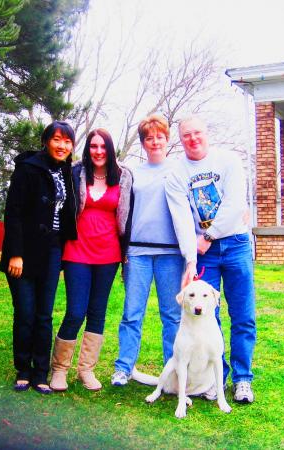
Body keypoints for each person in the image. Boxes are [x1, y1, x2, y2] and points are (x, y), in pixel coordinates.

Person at [165, 116, 256, 404]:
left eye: (197, 133)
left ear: (207, 133)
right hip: (205, 252)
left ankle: (242, 379)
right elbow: (181, 219)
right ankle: (214, 381)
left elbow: (235, 206)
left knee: (242, 315)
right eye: (186, 135)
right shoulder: (176, 172)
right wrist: (190, 259)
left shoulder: (227, 160)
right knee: (206, 315)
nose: (193, 139)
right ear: (180, 139)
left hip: (236, 243)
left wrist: (208, 236)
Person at [50, 128, 133, 392]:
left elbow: (128, 216)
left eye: (103, 147)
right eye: (94, 146)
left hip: (108, 254)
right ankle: (60, 369)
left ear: (110, 149)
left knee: (97, 312)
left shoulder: (123, 177)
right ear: (88, 149)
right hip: (77, 251)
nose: (98, 151)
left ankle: (86, 369)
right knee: (76, 311)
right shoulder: (74, 172)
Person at [0, 121, 77, 394]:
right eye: (57, 139)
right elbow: (14, 213)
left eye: (67, 141)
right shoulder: (27, 169)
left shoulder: (67, 171)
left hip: (53, 251)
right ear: (46, 141)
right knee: (25, 313)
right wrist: (16, 254)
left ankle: (41, 372)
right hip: (23, 253)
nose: (62, 146)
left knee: (44, 314)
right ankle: (23, 369)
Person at [111, 114, 183, 387]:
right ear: (143, 143)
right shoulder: (132, 173)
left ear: (167, 139)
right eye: (149, 138)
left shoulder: (178, 170)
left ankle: (173, 371)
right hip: (137, 253)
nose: (155, 142)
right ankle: (124, 367)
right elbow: (121, 212)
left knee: (172, 315)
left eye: (160, 137)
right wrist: (123, 248)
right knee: (132, 312)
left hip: (171, 255)